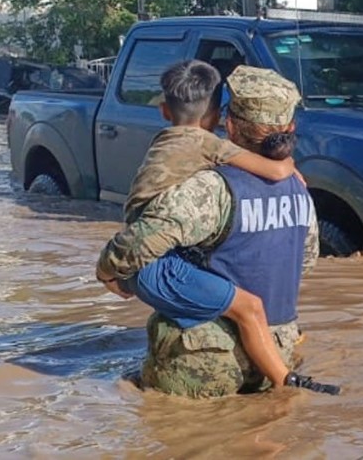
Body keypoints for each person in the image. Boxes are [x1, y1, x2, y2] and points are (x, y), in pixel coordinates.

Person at [96, 65, 338, 398]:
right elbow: (305, 261)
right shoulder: (300, 190)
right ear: (291, 127)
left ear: (230, 125)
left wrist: (108, 272)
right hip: (276, 352)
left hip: (203, 361)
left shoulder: (210, 187)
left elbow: (140, 241)